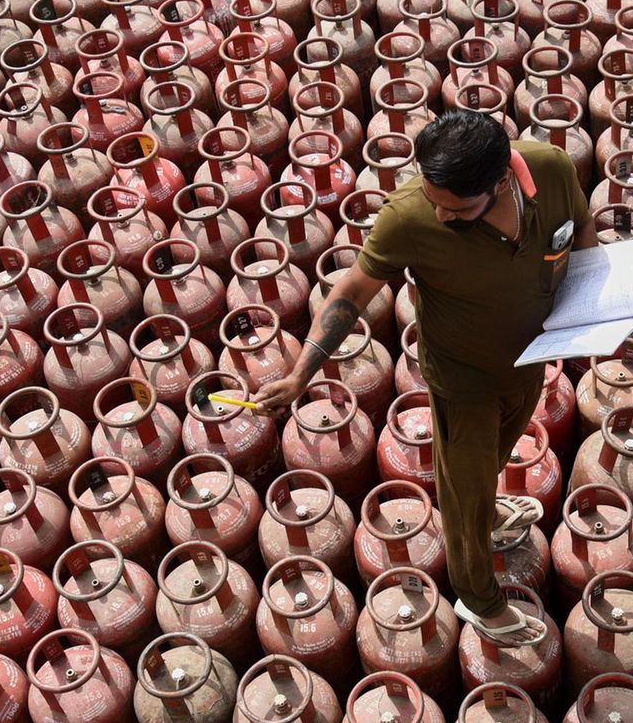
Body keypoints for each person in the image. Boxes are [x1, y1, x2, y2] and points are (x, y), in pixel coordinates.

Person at [255, 111, 598, 646]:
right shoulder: (409, 217)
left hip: (532, 359)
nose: (439, 214)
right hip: (462, 381)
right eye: (434, 199)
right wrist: (302, 373)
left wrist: (595, 303)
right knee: (462, 494)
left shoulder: (550, 169)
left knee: (495, 455)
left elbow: (580, 227)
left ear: (503, 178)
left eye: (455, 208)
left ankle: (484, 507)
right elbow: (350, 294)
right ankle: (480, 599)